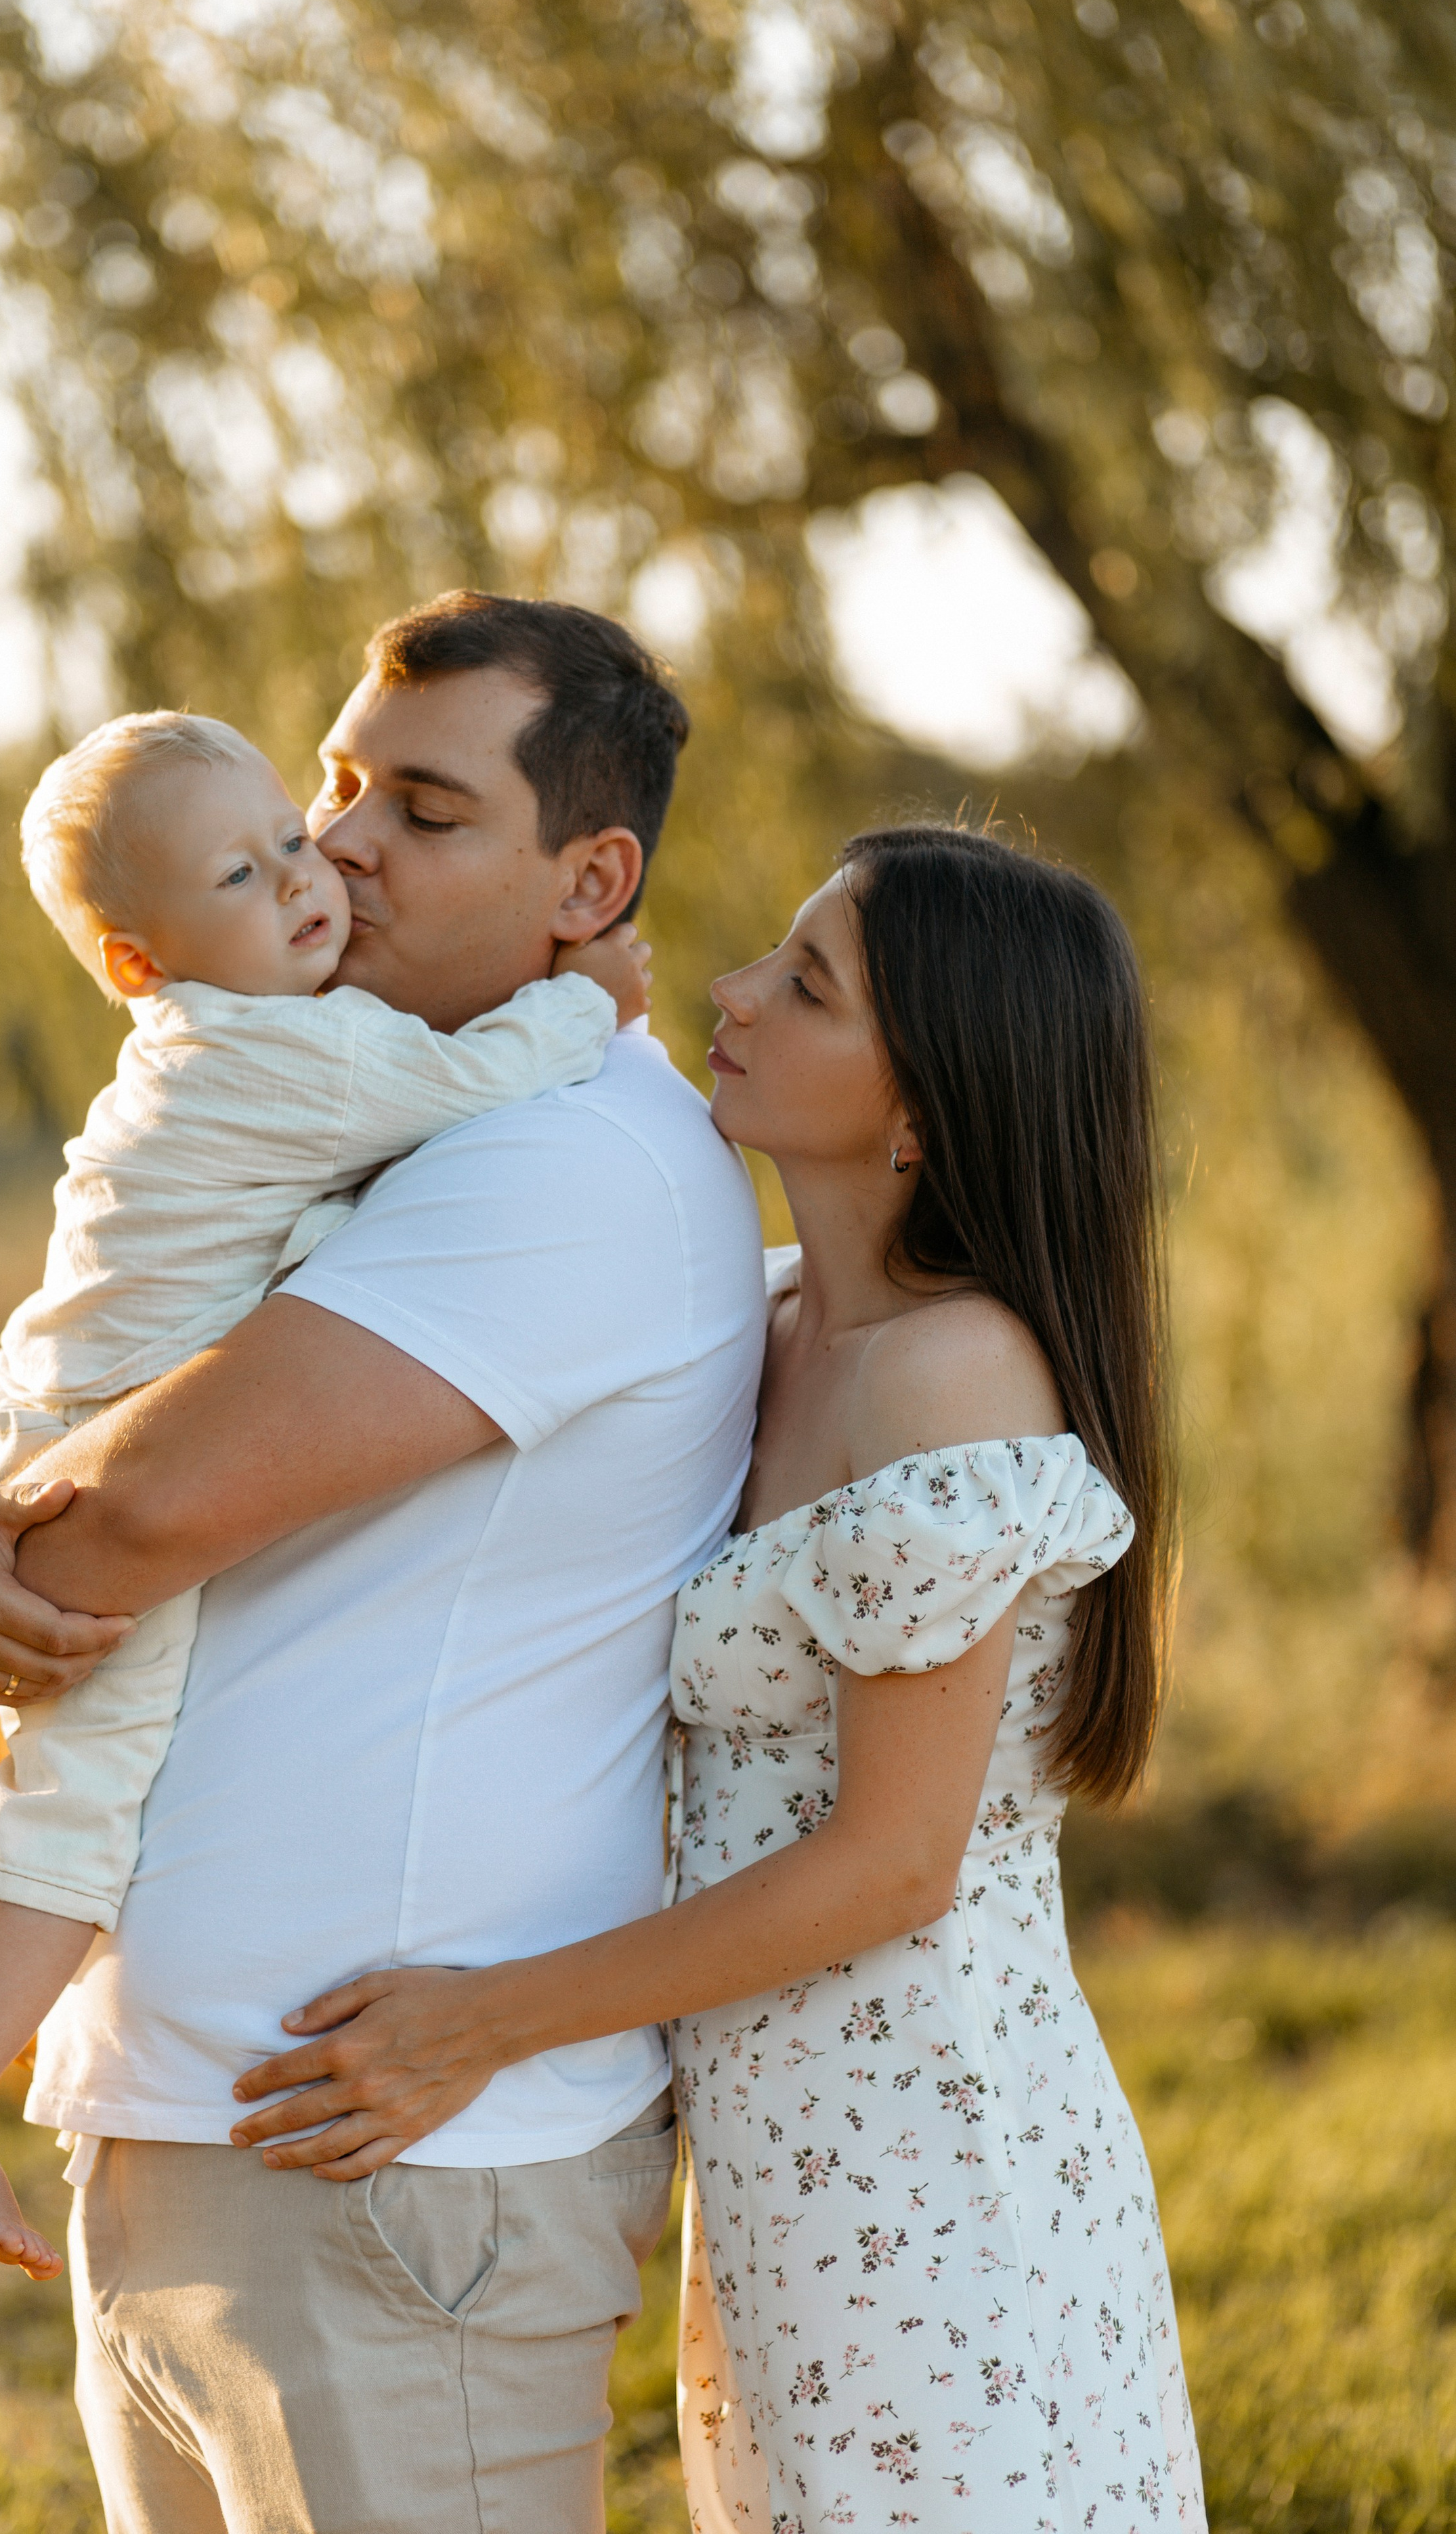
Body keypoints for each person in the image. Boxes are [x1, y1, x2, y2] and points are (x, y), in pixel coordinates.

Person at [0, 591, 767, 2534]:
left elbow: (131, 1508)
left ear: (591, 881)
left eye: (423, 811)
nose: (341, 841)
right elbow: (53, 1395)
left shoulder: (565, 1155)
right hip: (203, 2129)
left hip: (384, 2170)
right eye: (337, 782)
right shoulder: (336, 1107)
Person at [217, 825, 1208, 2531]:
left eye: (805, 984)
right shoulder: (762, 1322)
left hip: (926, 2166)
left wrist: (481, 2019)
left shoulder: (950, 1379)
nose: (734, 992)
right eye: (771, 953)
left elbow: (890, 1865)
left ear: (921, 1110)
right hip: (779, 2155)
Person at [0, 701, 650, 2281]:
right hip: (95, 1427)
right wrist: (593, 1004)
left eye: (301, 832)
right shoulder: (293, 1054)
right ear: (137, 964)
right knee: (87, 1782)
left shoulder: (200, 1050)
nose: (315, 870)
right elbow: (467, 1081)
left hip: (51, 1390)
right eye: (247, 871)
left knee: (60, 1744)